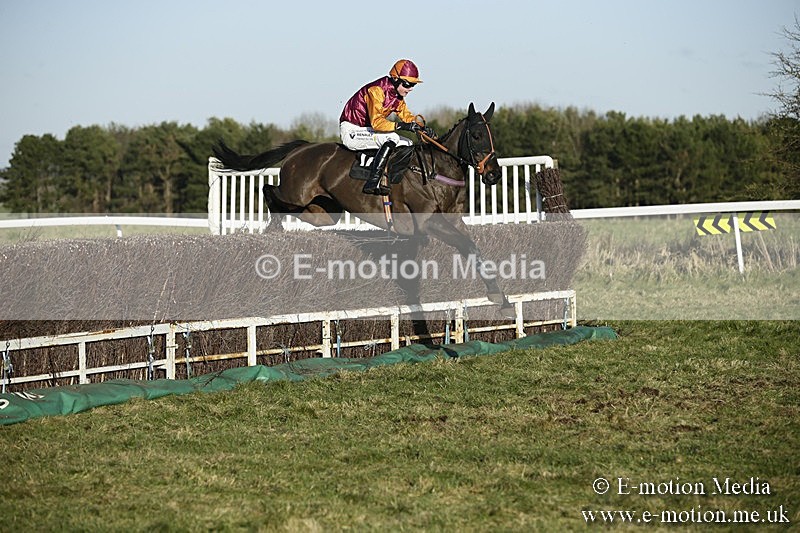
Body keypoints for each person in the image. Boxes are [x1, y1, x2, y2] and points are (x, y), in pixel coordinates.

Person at [339, 59, 433, 195]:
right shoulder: (376, 91)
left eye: (413, 85)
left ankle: (392, 178)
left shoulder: (397, 97)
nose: (410, 88)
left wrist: (421, 128)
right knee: (393, 136)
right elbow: (377, 123)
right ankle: (374, 181)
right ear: (395, 79)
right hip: (352, 129)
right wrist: (401, 126)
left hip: (368, 130)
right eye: (408, 84)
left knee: (408, 142)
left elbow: (407, 117)